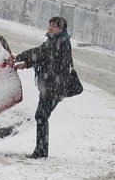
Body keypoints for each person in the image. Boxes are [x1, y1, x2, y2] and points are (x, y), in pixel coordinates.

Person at [12, 16, 73, 159]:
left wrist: (20, 57)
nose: (51, 27)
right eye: (50, 24)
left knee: (41, 116)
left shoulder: (61, 42)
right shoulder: (54, 40)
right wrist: (25, 64)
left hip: (54, 87)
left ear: (61, 29)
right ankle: (41, 150)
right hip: (50, 86)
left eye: (54, 26)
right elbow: (43, 56)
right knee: (42, 116)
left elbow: (40, 53)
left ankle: (41, 151)